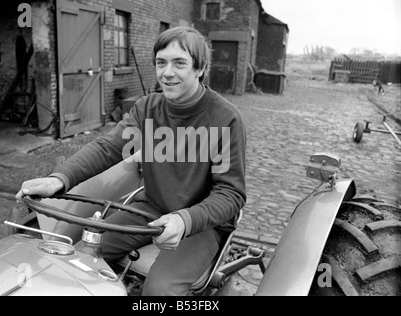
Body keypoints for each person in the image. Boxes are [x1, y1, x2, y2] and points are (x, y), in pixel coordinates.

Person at [16, 26, 247, 296]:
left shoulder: (225, 119)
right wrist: (59, 179)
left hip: (200, 224)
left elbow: (231, 194)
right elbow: (108, 148)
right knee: (80, 259)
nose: (167, 73)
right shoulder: (148, 108)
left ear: (200, 68)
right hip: (150, 209)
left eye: (179, 63)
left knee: (158, 291)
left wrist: (185, 219)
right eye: (161, 63)